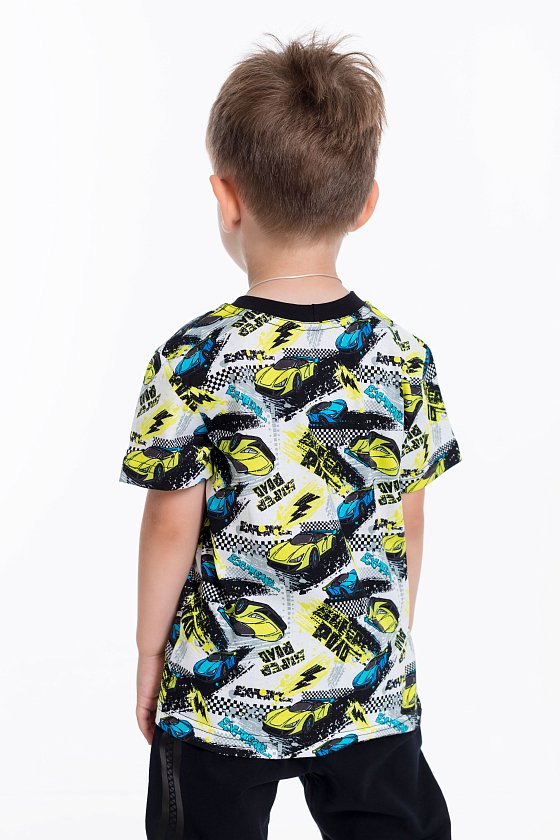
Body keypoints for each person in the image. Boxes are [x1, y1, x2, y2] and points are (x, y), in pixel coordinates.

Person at [119, 30, 463, 840]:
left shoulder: (195, 357)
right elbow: (409, 519)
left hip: (220, 694)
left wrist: (149, 652)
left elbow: (170, 523)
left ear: (227, 197)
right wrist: (383, 646)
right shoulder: (402, 356)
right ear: (366, 202)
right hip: (367, 691)